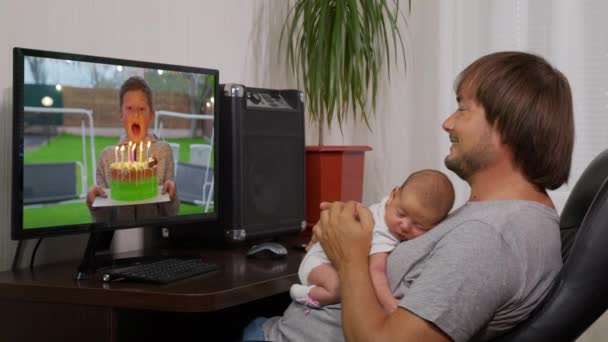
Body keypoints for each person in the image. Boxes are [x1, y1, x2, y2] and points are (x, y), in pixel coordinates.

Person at [244, 51, 574, 341]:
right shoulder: (511, 219)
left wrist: (350, 255)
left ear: (506, 127)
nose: (447, 123)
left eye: (462, 109)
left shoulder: (489, 238)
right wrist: (342, 238)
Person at [290, 169, 454, 313]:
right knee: (337, 290)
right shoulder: (384, 233)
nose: (404, 226)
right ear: (393, 195)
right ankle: (301, 293)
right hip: (318, 263)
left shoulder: (386, 207)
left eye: (419, 225)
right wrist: (389, 303)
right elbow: (376, 271)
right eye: (401, 214)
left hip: (324, 258)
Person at [86, 76, 179, 222]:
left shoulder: (163, 152)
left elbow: (172, 214)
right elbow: (104, 221)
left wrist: (172, 196)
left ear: (151, 116)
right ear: (121, 114)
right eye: (129, 108)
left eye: (142, 109)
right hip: (120, 237)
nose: (136, 114)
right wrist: (94, 205)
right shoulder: (107, 158)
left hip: (154, 235)